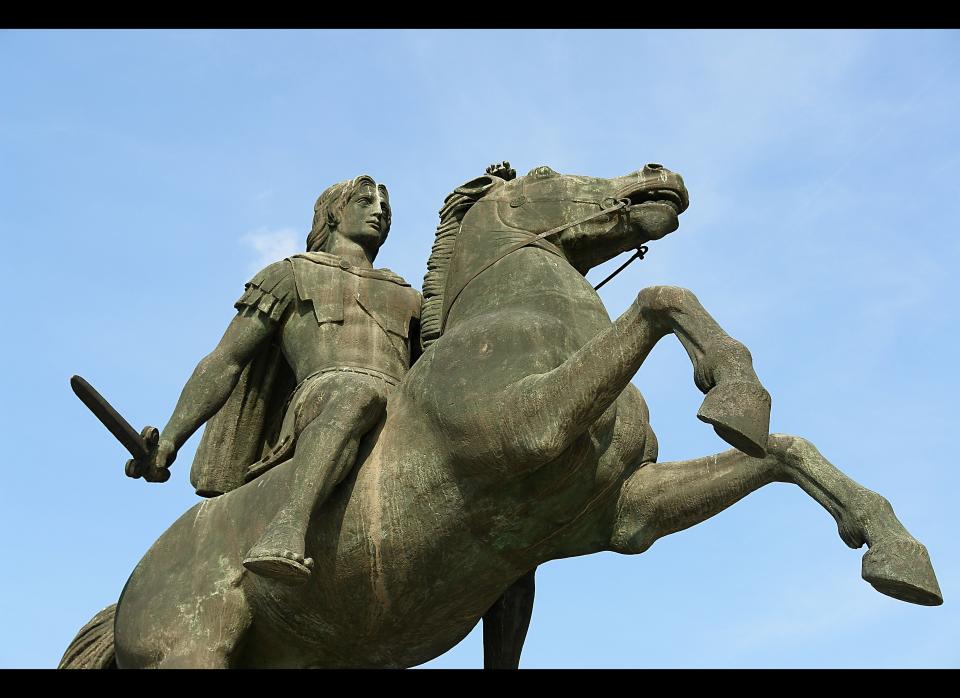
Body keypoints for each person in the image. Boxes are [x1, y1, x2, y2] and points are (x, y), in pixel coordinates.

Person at [131, 175, 422, 583]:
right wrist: (170, 440)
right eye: (365, 201)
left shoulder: (409, 295)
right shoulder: (290, 275)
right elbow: (225, 361)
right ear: (333, 214)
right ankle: (287, 527)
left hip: (398, 405)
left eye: (385, 209)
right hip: (325, 394)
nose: (379, 212)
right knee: (358, 392)